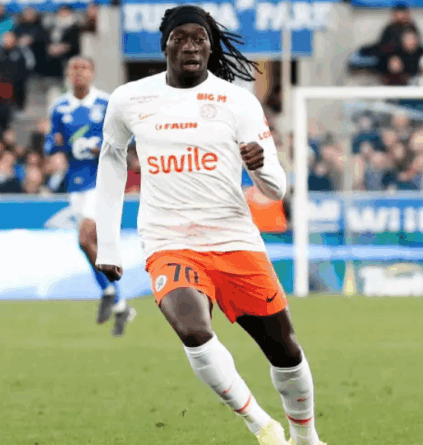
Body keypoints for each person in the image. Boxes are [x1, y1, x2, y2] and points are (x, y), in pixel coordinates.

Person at [94, 6, 325, 445]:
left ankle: (307, 438)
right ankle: (261, 425)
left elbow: (276, 189)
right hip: (168, 240)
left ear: (210, 45)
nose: (190, 46)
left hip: (233, 238)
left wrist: (260, 166)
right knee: (194, 331)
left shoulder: (238, 101)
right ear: (164, 45)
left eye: (199, 38)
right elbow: (111, 163)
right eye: (180, 38)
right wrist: (108, 243)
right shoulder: (129, 99)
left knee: (284, 349)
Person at [44, 55, 135, 336]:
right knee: (88, 245)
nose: (78, 73)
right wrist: (56, 149)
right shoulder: (60, 107)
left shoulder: (106, 104)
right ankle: (119, 303)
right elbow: (50, 142)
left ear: (92, 73)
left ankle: (110, 292)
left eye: (83, 68)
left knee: (85, 238)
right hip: (76, 184)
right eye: (74, 68)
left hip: (103, 182)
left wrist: (99, 146)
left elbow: (126, 137)